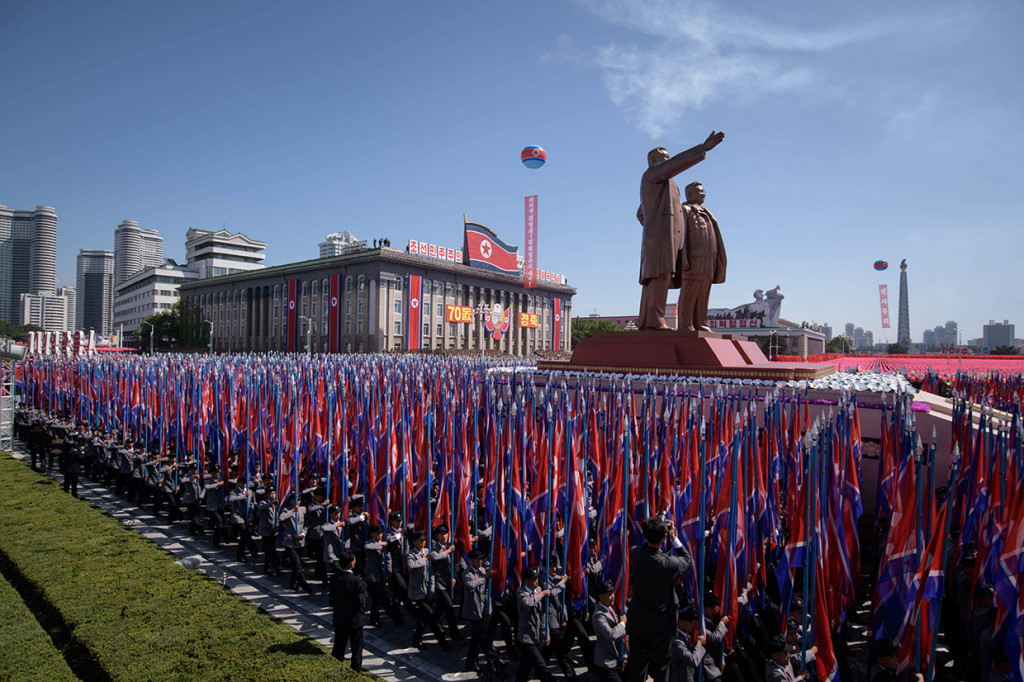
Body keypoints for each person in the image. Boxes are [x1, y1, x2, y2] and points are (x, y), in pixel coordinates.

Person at [635, 131, 724, 330]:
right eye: (664, 158)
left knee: (662, 276)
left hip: (667, 238)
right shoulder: (652, 175)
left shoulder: (666, 184)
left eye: (668, 157)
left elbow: (641, 212)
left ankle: (648, 320)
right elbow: (643, 213)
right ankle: (655, 321)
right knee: (658, 276)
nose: (667, 160)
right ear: (653, 161)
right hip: (659, 239)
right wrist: (702, 148)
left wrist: (657, 223)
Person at [625, 516, 693, 682]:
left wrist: (656, 531)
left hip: (639, 621)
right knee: (661, 668)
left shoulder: (635, 554)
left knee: (637, 666)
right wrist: (674, 537)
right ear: (664, 536)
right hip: (662, 624)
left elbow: (641, 549)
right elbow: (687, 559)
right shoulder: (669, 564)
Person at [676, 181, 726, 332]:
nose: (703, 194)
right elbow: (682, 237)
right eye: (700, 191)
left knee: (703, 293)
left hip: (707, 262)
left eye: (704, 191)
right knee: (689, 292)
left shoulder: (706, 212)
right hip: (693, 260)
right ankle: (685, 324)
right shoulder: (685, 210)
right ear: (690, 194)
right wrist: (684, 259)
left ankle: (701, 323)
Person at [405, 530, 453, 651]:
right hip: (417, 593)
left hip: (427, 591)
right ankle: (443, 642)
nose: (422, 543)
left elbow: (431, 572)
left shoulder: (427, 552)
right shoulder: (411, 554)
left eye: (424, 540)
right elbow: (412, 566)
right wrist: (425, 560)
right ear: (414, 542)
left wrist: (432, 589)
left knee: (423, 618)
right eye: (420, 541)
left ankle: (416, 639)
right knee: (431, 617)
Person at [516, 566, 557, 682]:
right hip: (526, 637)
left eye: (537, 578)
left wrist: (546, 632)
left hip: (536, 635)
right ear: (527, 581)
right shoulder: (521, 593)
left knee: (525, 666)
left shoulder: (538, 590)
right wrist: (542, 595)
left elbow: (542, 614)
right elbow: (529, 603)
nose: (537, 581)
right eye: (534, 579)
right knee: (541, 666)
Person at [330, 551, 369, 672]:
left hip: (340, 618)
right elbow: (361, 602)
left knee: (338, 647)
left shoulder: (335, 578)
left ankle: (335, 669)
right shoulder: (357, 581)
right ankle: (355, 671)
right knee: (356, 649)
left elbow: (332, 600)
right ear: (351, 564)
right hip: (355, 620)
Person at [364, 523, 403, 627]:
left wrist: (388, 573)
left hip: (381, 576)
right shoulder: (371, 543)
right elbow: (368, 546)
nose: (379, 535)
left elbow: (388, 558)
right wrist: (382, 544)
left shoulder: (384, 544)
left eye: (381, 533)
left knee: (377, 599)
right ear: (372, 534)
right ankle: (396, 619)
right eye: (377, 533)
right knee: (384, 599)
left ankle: (374, 619)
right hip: (372, 577)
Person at [463, 548, 493, 672]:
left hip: (481, 610)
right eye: (477, 560)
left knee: (476, 639)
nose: (480, 562)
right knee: (482, 637)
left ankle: (470, 662)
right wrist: (484, 578)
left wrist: (489, 609)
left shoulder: (481, 571)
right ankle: (492, 659)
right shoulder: (467, 573)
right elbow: (470, 585)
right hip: (472, 611)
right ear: (471, 561)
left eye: (481, 559)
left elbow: (487, 592)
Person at [430, 524, 462, 640]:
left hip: (448, 581)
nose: (444, 536)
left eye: (445, 533)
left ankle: (433, 622)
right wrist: (448, 551)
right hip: (439, 583)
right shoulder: (434, 547)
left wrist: (454, 576)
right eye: (441, 534)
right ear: (437, 536)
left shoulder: (450, 547)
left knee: (440, 606)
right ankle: (455, 633)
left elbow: (454, 564)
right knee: (449, 606)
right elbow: (436, 557)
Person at [593, 580, 627, 682]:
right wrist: (623, 623)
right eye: (609, 595)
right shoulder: (599, 615)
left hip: (616, 658)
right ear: (601, 596)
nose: (612, 597)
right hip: (606, 662)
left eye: (612, 593)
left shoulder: (612, 608)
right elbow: (611, 634)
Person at [280, 499, 312, 593]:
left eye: (299, 500)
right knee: (297, 564)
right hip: (290, 541)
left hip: (300, 541)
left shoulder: (303, 509)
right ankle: (304, 584)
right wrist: (292, 511)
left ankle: (292, 582)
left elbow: (306, 524)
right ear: (291, 501)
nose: (297, 502)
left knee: (296, 565)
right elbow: (281, 518)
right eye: (295, 500)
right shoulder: (286, 510)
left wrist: (303, 534)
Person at [669, 605, 705, 682]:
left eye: (693, 621)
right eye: (690, 621)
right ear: (680, 622)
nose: (693, 624)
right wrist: (699, 644)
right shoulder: (677, 641)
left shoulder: (688, 636)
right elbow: (692, 660)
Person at [229, 477, 260, 563]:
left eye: (245, 483)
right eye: (242, 483)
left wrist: (250, 516)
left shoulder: (249, 491)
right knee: (245, 532)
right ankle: (254, 550)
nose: (244, 485)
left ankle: (240, 555)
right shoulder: (234, 491)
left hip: (246, 516)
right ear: (238, 483)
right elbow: (231, 499)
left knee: (243, 538)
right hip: (237, 516)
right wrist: (242, 496)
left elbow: (252, 504)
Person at [257, 487, 282, 576]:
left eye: (274, 493)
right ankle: (270, 567)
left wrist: (277, 526)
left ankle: (274, 565)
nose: (273, 495)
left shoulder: (277, 505)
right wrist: (271, 503)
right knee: (269, 549)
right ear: (267, 495)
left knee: (272, 549)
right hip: (266, 530)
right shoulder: (264, 502)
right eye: (270, 494)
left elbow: (279, 517)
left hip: (274, 530)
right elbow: (260, 507)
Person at [305, 489, 328, 582]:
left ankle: (320, 573)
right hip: (316, 534)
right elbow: (310, 510)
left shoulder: (325, 504)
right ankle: (320, 574)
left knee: (322, 557)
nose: (320, 497)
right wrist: (322, 505)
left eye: (321, 496)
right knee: (319, 556)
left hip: (324, 534)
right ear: (314, 496)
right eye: (318, 496)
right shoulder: (312, 504)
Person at [179, 462, 204, 536]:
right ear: (190, 470)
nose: (195, 471)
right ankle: (200, 528)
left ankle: (192, 530)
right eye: (193, 469)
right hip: (189, 499)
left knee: (196, 515)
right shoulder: (187, 476)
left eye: (196, 469)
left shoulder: (200, 476)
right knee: (194, 515)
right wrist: (193, 477)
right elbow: (183, 481)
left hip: (197, 499)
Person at [204, 465, 226, 548]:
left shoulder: (221, 480)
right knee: (219, 522)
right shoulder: (208, 481)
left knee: (222, 523)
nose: (216, 474)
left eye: (217, 472)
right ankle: (216, 541)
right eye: (214, 473)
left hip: (220, 505)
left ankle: (222, 538)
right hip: (212, 506)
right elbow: (207, 487)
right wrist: (217, 484)